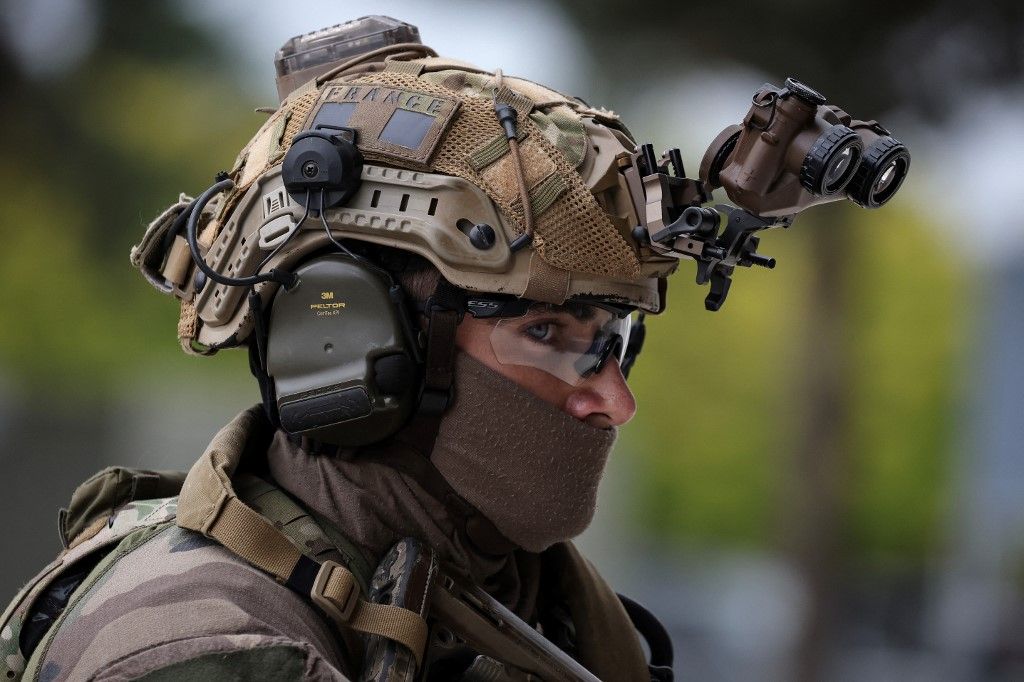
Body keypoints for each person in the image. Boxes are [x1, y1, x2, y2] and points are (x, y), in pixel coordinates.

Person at [1, 16, 684, 682]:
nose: (615, 401)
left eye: (610, 341)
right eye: (546, 334)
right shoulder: (208, 647)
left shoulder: (517, 599)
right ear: (346, 342)